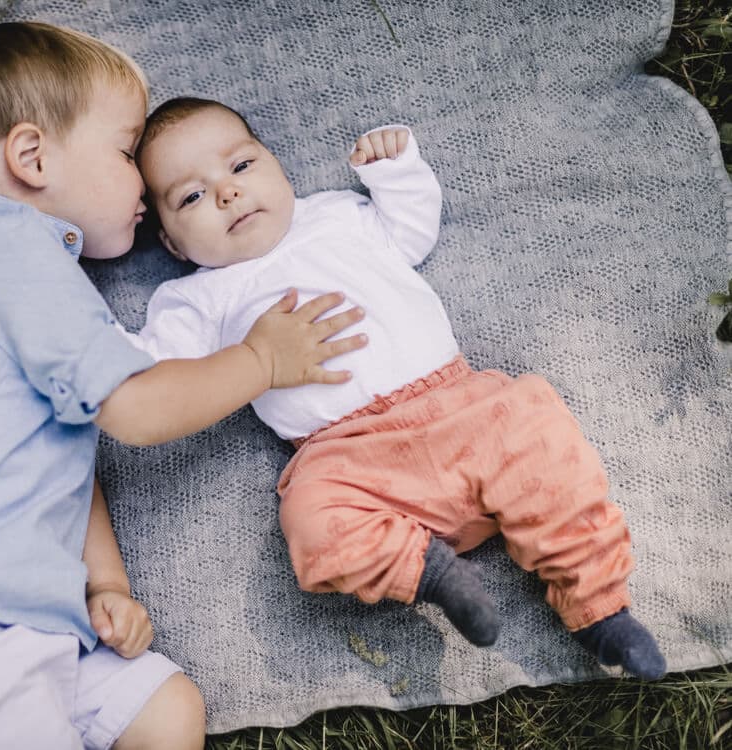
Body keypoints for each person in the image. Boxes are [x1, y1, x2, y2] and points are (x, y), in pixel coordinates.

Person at [0, 24, 369, 750]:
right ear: (31, 157)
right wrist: (259, 362)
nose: (142, 179)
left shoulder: (15, 273)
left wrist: (105, 585)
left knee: (164, 709)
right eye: (123, 150)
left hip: (25, 624)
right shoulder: (3, 251)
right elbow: (134, 411)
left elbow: (67, 459)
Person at [133, 96, 666, 681]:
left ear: (276, 165)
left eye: (239, 167)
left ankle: (600, 609)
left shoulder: (336, 215)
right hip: (345, 456)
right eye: (190, 197)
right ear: (174, 246)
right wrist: (93, 344)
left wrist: (395, 171)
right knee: (310, 519)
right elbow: (151, 369)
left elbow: (412, 233)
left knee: (534, 431)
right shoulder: (195, 299)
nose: (226, 194)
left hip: (459, 407)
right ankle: (433, 575)